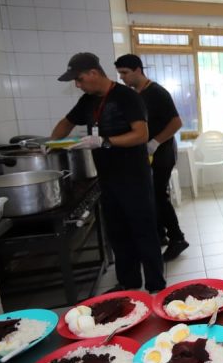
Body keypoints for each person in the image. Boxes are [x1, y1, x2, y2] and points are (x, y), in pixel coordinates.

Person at [51, 52, 166, 293]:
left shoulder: (126, 97)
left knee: (143, 232)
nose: (77, 84)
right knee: (118, 233)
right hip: (108, 178)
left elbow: (141, 134)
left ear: (94, 73)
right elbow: (66, 123)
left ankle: (156, 286)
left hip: (134, 177)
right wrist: (50, 143)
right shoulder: (88, 100)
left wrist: (104, 141)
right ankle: (128, 283)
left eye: (80, 79)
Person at [115, 54, 189, 261]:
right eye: (120, 73)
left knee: (158, 195)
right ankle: (160, 235)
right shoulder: (133, 94)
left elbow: (176, 123)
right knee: (149, 196)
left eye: (125, 73)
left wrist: (155, 142)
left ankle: (177, 238)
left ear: (138, 70)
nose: (122, 78)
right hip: (145, 153)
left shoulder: (156, 92)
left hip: (162, 152)